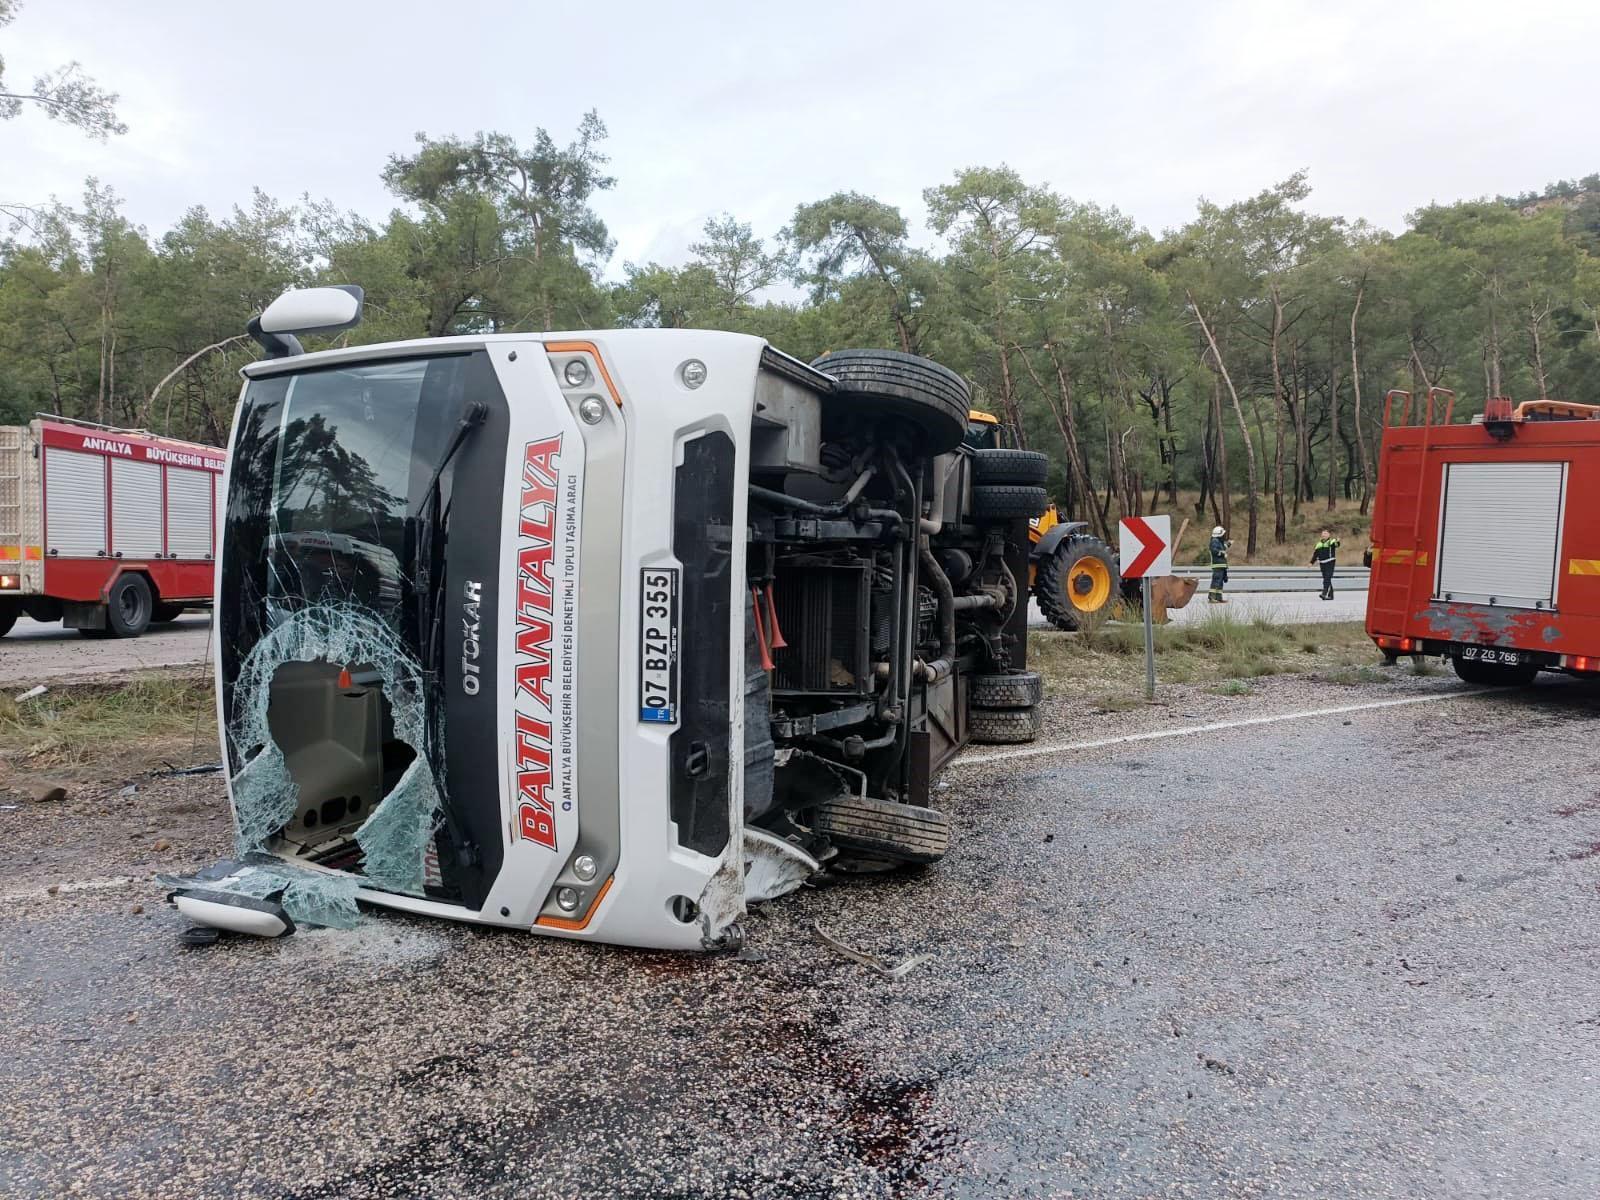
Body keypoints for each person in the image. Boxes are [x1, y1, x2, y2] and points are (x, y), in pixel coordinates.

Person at [1311, 528, 1341, 600]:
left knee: (1327, 577)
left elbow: (1336, 545)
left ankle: (1324, 593)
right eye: (1323, 534)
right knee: (1326, 579)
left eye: (1325, 533)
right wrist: (1311, 562)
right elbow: (1315, 554)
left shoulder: (1331, 542)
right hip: (1322, 563)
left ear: (1329, 535)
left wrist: (1338, 541)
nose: (1324, 535)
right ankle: (1331, 595)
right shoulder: (1318, 544)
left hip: (1330, 562)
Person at [1208, 525, 1229, 603]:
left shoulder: (1219, 541)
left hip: (1221, 565)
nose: (1224, 535)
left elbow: (1223, 547)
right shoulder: (1214, 541)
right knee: (1216, 581)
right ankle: (1212, 597)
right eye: (1223, 534)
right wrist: (1222, 553)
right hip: (1217, 565)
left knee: (1220, 583)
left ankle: (1218, 597)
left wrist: (1228, 544)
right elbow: (1214, 551)